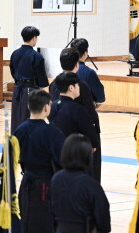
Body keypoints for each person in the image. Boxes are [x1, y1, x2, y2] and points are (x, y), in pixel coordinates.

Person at [14, 89, 66, 233]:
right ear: (46, 107)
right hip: (45, 183)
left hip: (26, 182)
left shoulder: (19, 130)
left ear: (28, 106)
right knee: (44, 222)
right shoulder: (52, 132)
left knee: (25, 219)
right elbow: (63, 159)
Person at [54, 47, 102, 182]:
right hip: (80, 138)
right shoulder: (80, 86)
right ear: (77, 64)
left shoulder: (54, 84)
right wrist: (94, 139)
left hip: (59, 134)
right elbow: (89, 113)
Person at [49, 134, 111, 233]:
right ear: (87, 156)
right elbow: (104, 223)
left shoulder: (55, 180)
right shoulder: (91, 185)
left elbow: (50, 213)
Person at [9, 26, 49, 132]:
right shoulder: (37, 56)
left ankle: (16, 140)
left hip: (17, 89)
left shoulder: (14, 53)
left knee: (16, 118)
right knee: (29, 118)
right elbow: (42, 79)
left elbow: (12, 71)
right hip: (31, 91)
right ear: (34, 38)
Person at [49, 72, 101, 152]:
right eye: (77, 85)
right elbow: (88, 130)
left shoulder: (52, 106)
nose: (79, 87)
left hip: (56, 147)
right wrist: (94, 144)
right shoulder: (78, 109)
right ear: (71, 88)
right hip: (74, 150)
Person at [69, 38, 105, 106]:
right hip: (84, 109)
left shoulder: (65, 70)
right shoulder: (89, 73)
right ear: (85, 54)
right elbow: (100, 97)